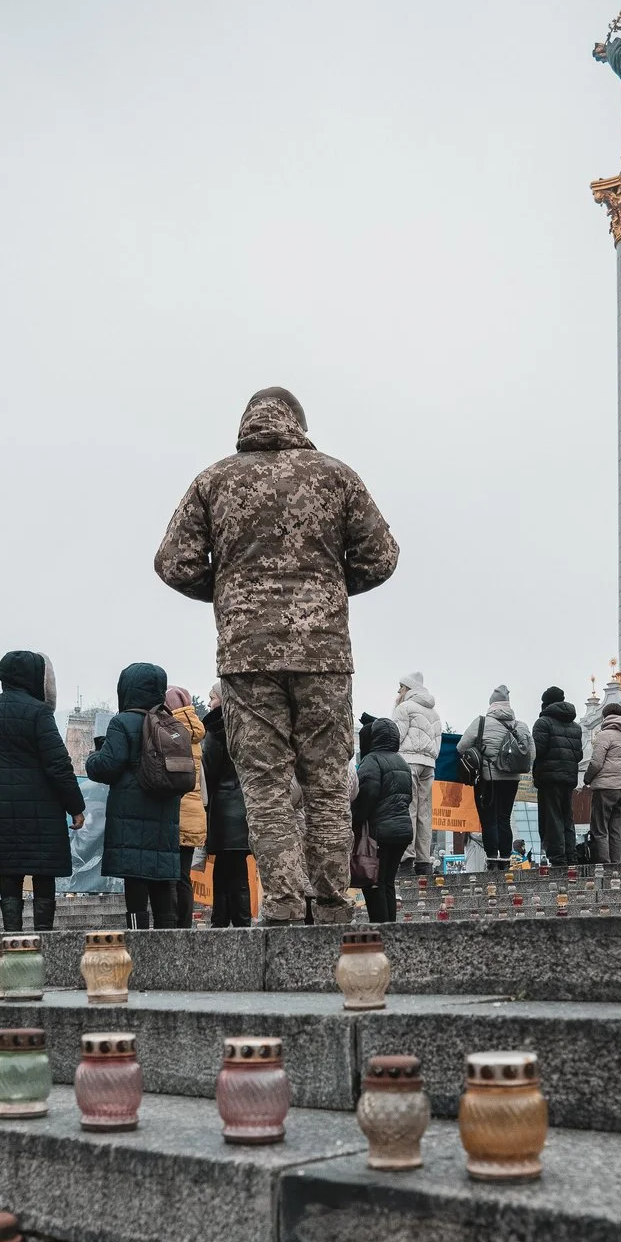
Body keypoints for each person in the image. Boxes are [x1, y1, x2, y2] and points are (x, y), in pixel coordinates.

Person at [156, 386, 400, 925]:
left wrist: (231, 593)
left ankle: (286, 905)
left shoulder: (214, 481)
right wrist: (327, 588)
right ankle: (334, 902)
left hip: (247, 658)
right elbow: (382, 557)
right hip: (324, 655)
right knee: (327, 781)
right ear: (299, 422)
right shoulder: (335, 475)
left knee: (265, 785)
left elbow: (173, 563)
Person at [0, 650, 84, 930]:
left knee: (9, 872)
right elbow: (58, 763)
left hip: (1, 804)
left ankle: (12, 935)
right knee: (44, 872)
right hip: (42, 805)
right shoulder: (39, 711)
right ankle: (43, 935)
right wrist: (75, 806)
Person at [87, 662, 186, 929]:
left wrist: (95, 755)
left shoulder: (123, 722)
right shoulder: (172, 725)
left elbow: (107, 766)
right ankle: (168, 944)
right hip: (165, 818)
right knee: (162, 883)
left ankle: (138, 938)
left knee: (136, 887)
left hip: (130, 819)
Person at [351, 716, 415, 922]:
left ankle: (380, 928)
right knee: (387, 881)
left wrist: (357, 819)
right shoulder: (402, 762)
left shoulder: (372, 760)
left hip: (380, 831)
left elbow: (367, 793)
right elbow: (409, 796)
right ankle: (390, 927)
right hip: (402, 830)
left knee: (374, 881)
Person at [458, 686, 529, 868]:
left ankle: (492, 859)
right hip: (511, 780)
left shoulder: (481, 723)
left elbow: (461, 747)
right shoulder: (520, 726)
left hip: (487, 779)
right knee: (504, 818)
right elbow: (531, 754)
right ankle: (505, 860)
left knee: (489, 819)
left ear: (491, 705)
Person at [203, 688, 254, 927]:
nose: (209, 701)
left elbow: (208, 770)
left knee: (225, 871)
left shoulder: (215, 729)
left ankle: (222, 921)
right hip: (243, 808)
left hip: (223, 810)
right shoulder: (248, 726)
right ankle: (238, 921)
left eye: (212, 697)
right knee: (235, 868)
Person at [166, 685, 207, 929]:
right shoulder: (196, 734)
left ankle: (173, 924)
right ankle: (185, 926)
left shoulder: (170, 732)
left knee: (170, 877)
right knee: (184, 876)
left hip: (175, 812)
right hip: (194, 816)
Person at [393, 673, 443, 872]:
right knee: (425, 812)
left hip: (408, 762)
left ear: (408, 688)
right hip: (429, 764)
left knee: (409, 809)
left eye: (400, 687)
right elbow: (438, 743)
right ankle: (424, 861)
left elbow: (395, 737)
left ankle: (407, 858)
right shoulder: (434, 713)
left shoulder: (403, 708)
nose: (398, 691)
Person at [531, 686, 584, 866]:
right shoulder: (576, 727)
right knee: (567, 817)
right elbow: (579, 755)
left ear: (545, 703)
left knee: (551, 818)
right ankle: (572, 856)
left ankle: (557, 857)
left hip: (548, 778)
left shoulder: (543, 723)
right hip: (568, 779)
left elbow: (537, 750)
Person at [583, 702, 621, 864]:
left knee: (600, 829)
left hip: (605, 788)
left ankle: (604, 865)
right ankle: (617, 865)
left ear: (605, 717)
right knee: (616, 830)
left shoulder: (604, 735)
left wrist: (587, 779)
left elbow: (596, 762)